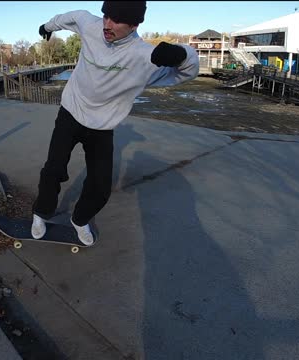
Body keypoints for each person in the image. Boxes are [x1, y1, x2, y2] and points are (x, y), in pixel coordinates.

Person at [31, 1, 199, 245]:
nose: (107, 24)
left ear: (134, 24)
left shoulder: (145, 57)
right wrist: (46, 26)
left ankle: (80, 219)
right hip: (71, 111)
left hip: (102, 127)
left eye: (116, 20)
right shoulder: (90, 24)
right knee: (53, 170)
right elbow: (67, 17)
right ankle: (41, 213)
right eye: (106, 15)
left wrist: (183, 55)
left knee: (100, 188)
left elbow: (187, 72)